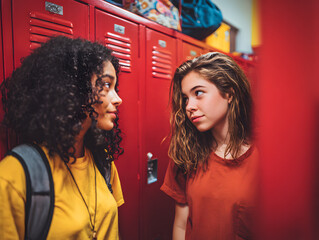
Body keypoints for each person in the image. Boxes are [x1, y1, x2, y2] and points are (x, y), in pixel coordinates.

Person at [0, 36, 124, 239]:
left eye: (115, 88)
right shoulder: (15, 174)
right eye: (106, 85)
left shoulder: (103, 162)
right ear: (74, 90)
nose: (118, 99)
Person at [161, 52, 258, 240]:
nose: (189, 106)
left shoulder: (266, 155)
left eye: (198, 93)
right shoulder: (186, 155)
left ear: (229, 93)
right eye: (186, 98)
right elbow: (181, 226)